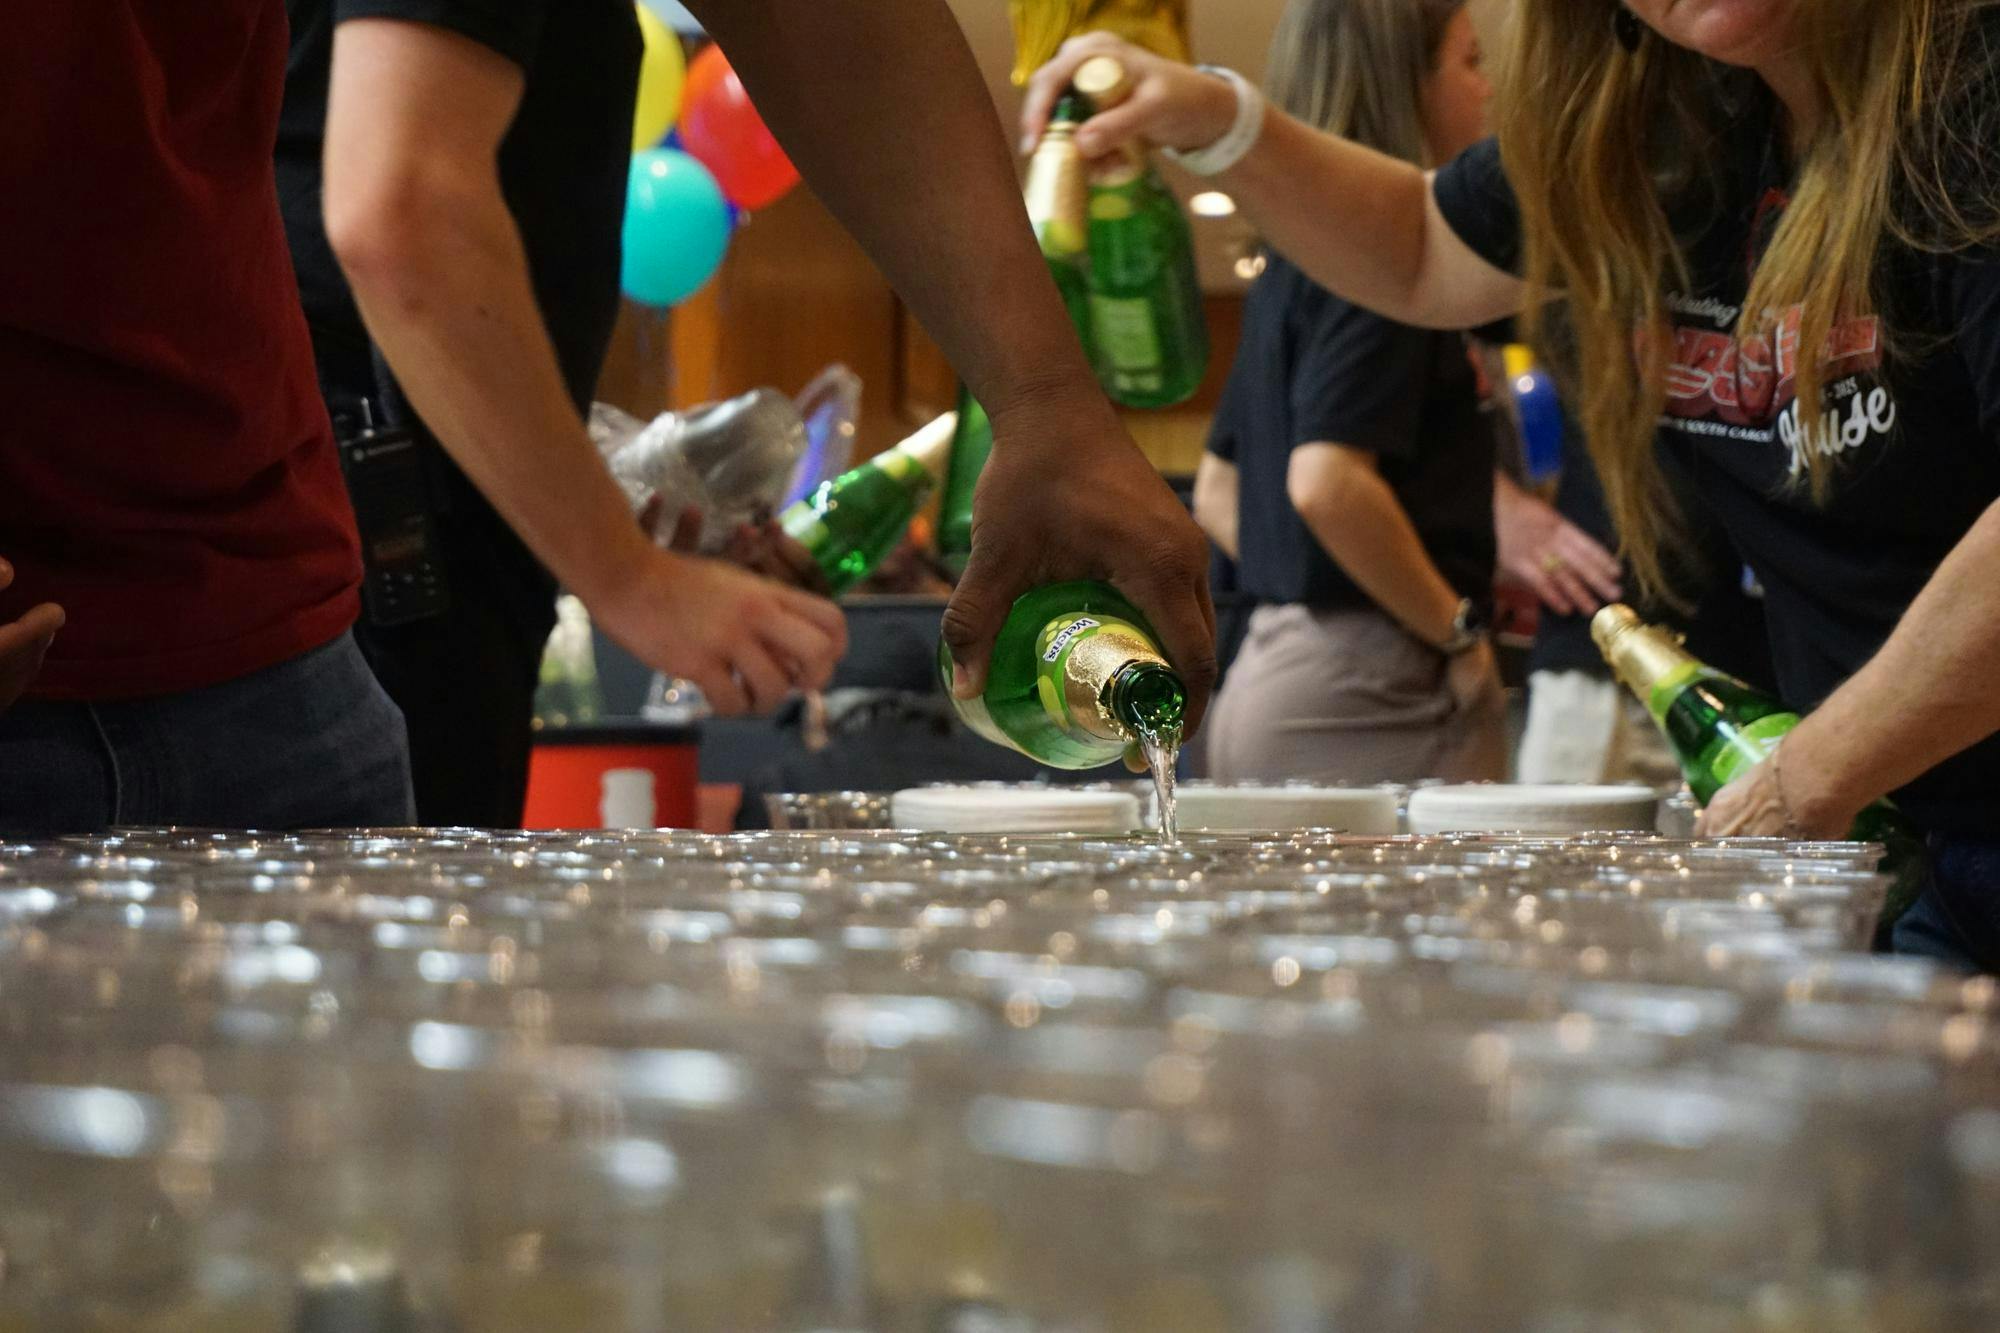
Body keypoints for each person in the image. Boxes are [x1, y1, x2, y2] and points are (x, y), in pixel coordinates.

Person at [0, 0, 1214, 835]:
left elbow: (825, 25)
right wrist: (629, 579)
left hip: (267, 620)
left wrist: (1049, 405)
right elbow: (399, 207)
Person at [1024, 2, 2000, 967]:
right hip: (1921, 835)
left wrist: (1805, 777)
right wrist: (1216, 119)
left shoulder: (1972, 90)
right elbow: (1420, 246)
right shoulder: (1677, 131)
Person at [1191, 0, 1504, 785]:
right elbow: (1327, 484)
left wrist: (1308, 584)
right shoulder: (1382, 266)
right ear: (1406, 84)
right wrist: (1454, 629)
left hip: (1275, 667)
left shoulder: (1291, 264)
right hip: (1372, 685)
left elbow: (1220, 489)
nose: (1490, 88)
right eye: (1470, 61)